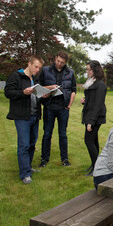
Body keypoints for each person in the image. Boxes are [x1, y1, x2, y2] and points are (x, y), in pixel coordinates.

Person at [4, 55, 44, 184]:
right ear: (29, 64)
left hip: (34, 116)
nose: (38, 70)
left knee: (32, 144)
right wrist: (23, 93)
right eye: (36, 67)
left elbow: (36, 96)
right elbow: (8, 92)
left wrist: (45, 94)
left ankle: (28, 167)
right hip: (22, 117)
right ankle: (25, 174)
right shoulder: (16, 76)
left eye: (39, 68)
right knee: (24, 145)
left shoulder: (35, 78)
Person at [38, 51, 77, 167]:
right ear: (55, 58)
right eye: (58, 61)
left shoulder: (70, 72)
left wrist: (69, 104)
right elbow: (38, 86)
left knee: (63, 134)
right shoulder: (45, 70)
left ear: (66, 63)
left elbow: (73, 89)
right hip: (49, 107)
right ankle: (44, 159)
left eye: (62, 62)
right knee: (47, 134)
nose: (59, 64)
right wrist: (49, 88)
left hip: (63, 108)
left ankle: (64, 159)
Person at [80, 60, 107, 176]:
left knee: (88, 140)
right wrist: (84, 101)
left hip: (95, 117)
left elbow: (98, 104)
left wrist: (91, 122)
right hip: (90, 115)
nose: (87, 72)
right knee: (93, 141)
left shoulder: (100, 85)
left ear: (95, 70)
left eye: (89, 69)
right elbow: (92, 100)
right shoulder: (91, 82)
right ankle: (94, 164)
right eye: (87, 69)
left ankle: (97, 167)